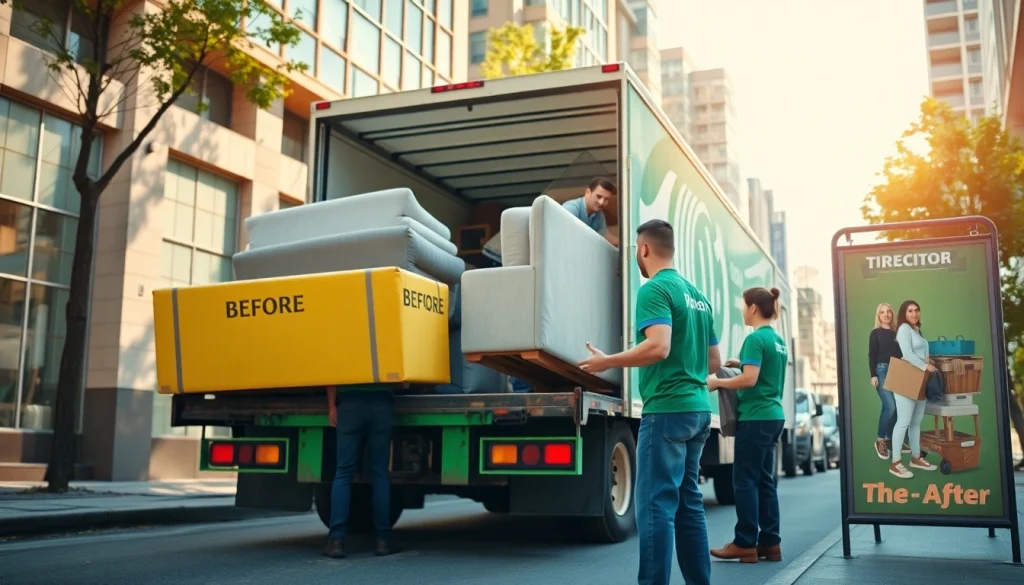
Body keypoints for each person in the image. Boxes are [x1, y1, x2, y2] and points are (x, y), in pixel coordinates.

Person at [578, 219, 720, 585]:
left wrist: (606, 361)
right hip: (699, 410)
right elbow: (715, 364)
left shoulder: (654, 289)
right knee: (689, 505)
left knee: (655, 507)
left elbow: (658, 346)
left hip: (667, 412)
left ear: (643, 248)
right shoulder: (699, 297)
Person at [706, 287, 788, 564]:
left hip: (756, 417)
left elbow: (750, 380)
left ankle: (744, 543)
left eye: (743, 305)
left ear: (753, 308)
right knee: (766, 482)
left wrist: (717, 381)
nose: (742, 310)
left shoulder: (754, 339)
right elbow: (760, 371)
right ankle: (770, 543)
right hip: (774, 415)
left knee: (745, 481)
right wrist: (740, 364)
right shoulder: (776, 340)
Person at [323, 386, 399, 558]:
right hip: (381, 403)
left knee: (343, 473)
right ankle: (383, 541)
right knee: (379, 473)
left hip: (349, 404)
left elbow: (331, 375)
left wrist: (332, 407)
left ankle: (336, 542)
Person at [890, 300, 939, 479]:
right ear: (904, 313)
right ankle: (895, 462)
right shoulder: (903, 328)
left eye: (916, 310)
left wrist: (927, 361)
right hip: (907, 378)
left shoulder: (916, 330)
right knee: (903, 421)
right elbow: (907, 353)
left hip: (919, 379)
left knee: (916, 421)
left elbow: (918, 353)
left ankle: (916, 457)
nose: (914, 313)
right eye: (910, 311)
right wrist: (924, 366)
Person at [868, 303, 901, 460]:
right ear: (878, 316)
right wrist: (873, 375)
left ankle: (889, 439)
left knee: (891, 407)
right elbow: (872, 354)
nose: (886, 314)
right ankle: (880, 439)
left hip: (898, 370)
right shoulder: (876, 333)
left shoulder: (897, 333)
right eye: (882, 312)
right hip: (882, 370)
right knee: (891, 406)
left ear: (892, 314)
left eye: (888, 312)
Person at [561, 176, 620, 247]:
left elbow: (605, 236)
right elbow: (566, 235)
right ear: (587, 192)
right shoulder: (571, 208)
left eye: (606, 199)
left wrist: (626, 243)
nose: (601, 202)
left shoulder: (599, 214)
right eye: (599, 196)